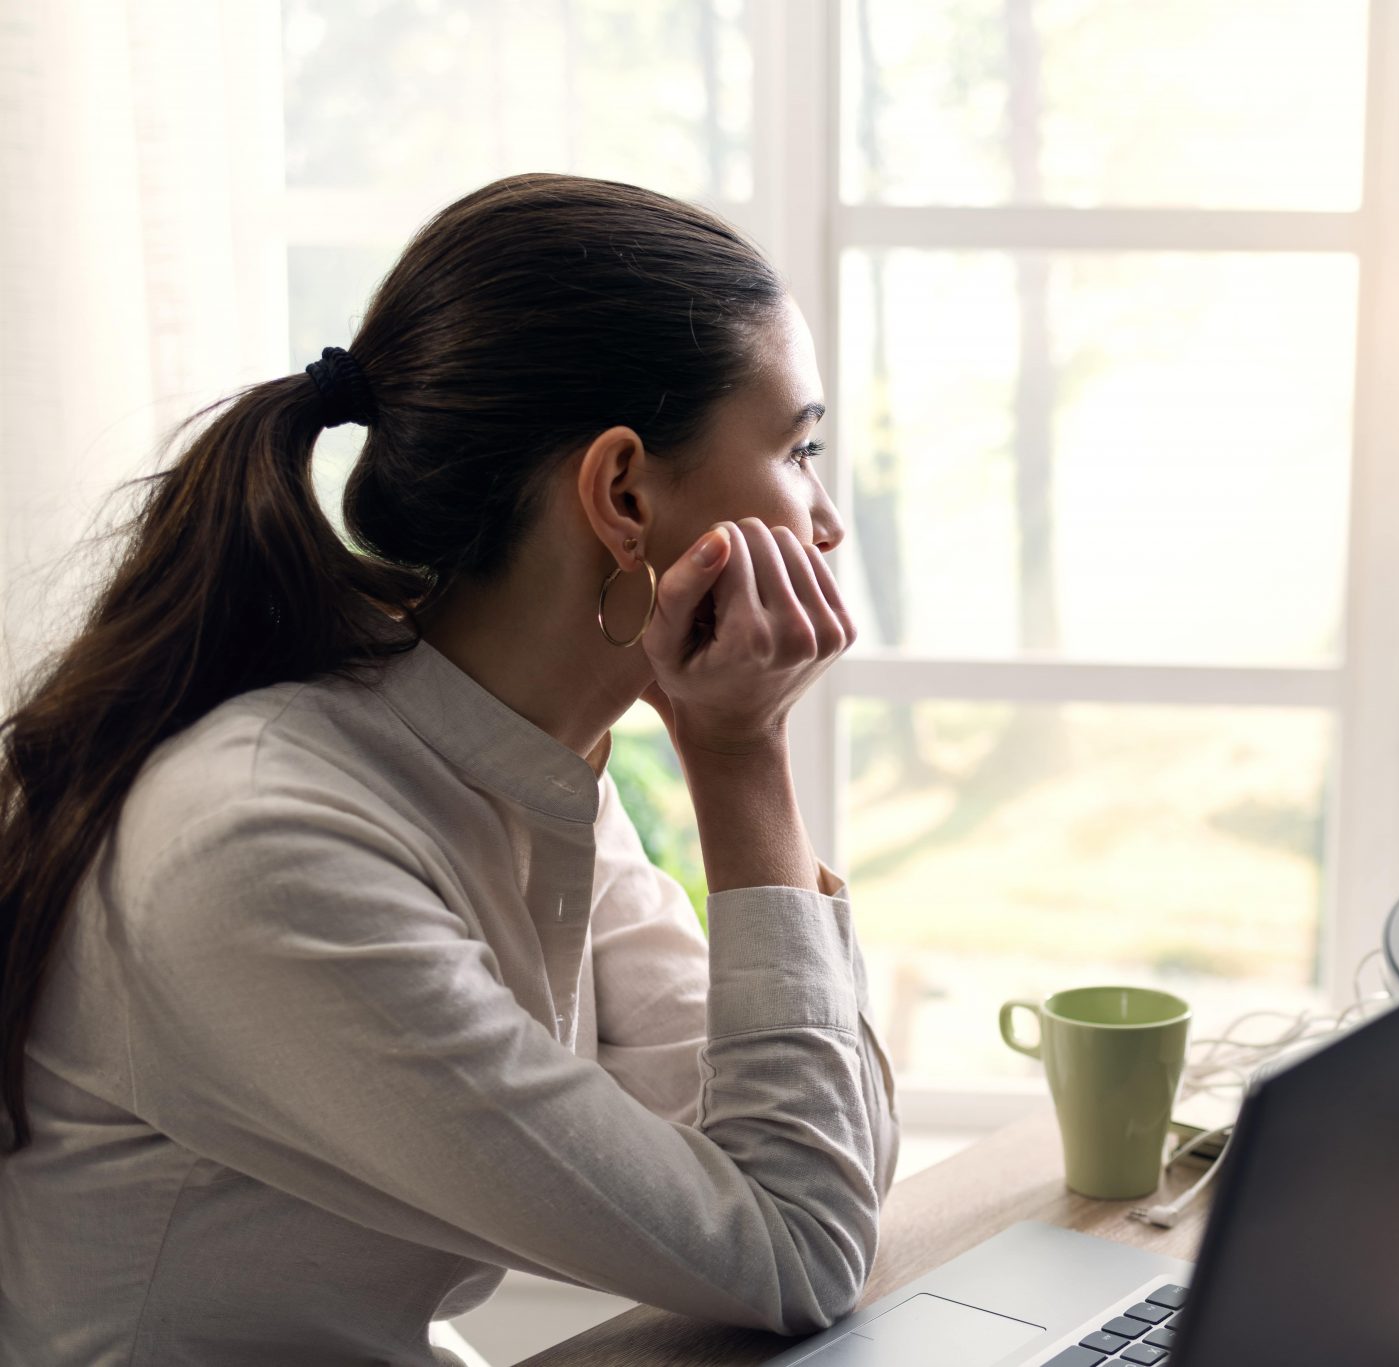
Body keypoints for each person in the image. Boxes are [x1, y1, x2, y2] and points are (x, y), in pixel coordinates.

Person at [0, 172, 899, 1365]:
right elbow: (794, 1247)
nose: (827, 519)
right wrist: (739, 761)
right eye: (799, 448)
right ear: (623, 491)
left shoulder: (526, 749)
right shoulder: (266, 844)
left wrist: (719, 748)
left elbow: (806, 1165)